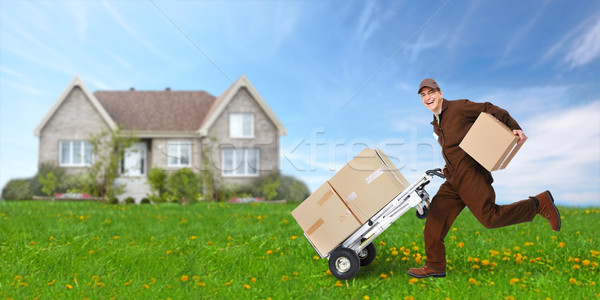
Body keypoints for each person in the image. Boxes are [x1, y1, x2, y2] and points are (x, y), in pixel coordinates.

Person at [407, 78, 561, 279]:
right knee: (435, 218)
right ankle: (435, 266)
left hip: (471, 174)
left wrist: (513, 126)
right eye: (423, 95)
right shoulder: (436, 124)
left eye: (431, 93)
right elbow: (453, 149)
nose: (428, 97)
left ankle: (538, 204)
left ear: (440, 93)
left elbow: (488, 107)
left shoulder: (459, 107)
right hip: (453, 179)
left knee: (490, 218)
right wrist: (447, 167)